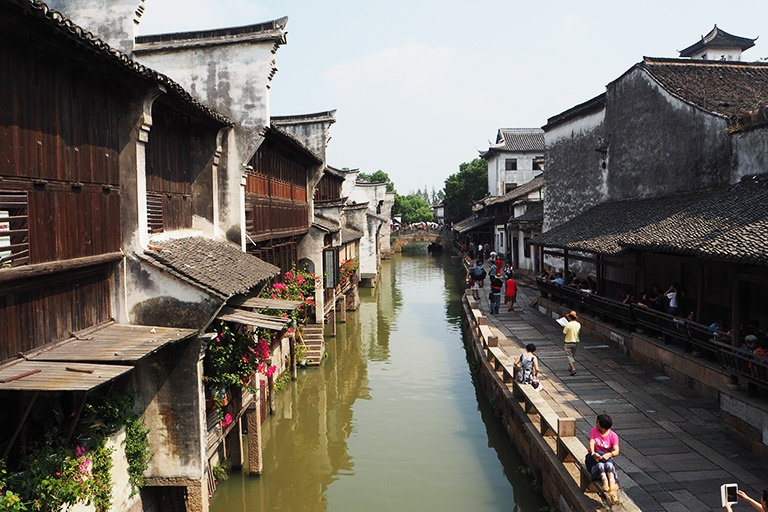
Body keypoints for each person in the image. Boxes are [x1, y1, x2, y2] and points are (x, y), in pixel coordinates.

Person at [586, 414, 620, 505]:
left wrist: (610, 454)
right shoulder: (594, 431)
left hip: (606, 461)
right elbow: (591, 443)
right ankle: (605, 480)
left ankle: (611, 484)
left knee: (608, 463)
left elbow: (616, 451)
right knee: (600, 463)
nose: (596, 424)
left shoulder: (613, 436)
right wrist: (593, 453)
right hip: (593, 460)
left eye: (597, 422)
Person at [563, 310, 581, 375]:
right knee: (572, 355)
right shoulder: (578, 324)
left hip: (568, 342)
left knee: (568, 355)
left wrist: (564, 327)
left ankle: (573, 368)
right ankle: (570, 367)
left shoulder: (568, 325)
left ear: (570, 317)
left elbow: (564, 333)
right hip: (575, 342)